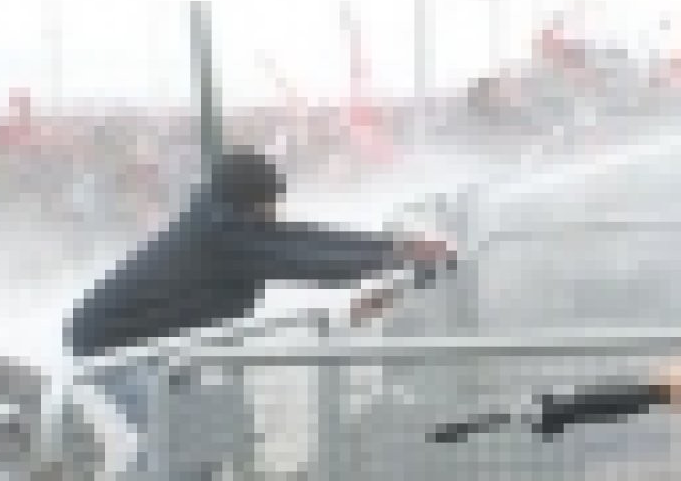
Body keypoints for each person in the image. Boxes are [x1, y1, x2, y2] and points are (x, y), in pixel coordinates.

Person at [63, 147, 455, 476]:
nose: (276, 211)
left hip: (148, 348)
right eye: (270, 202)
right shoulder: (221, 234)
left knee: (200, 442)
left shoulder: (226, 220)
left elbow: (307, 238)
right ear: (250, 201)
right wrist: (395, 257)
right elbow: (309, 263)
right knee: (180, 442)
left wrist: (395, 247)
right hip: (112, 350)